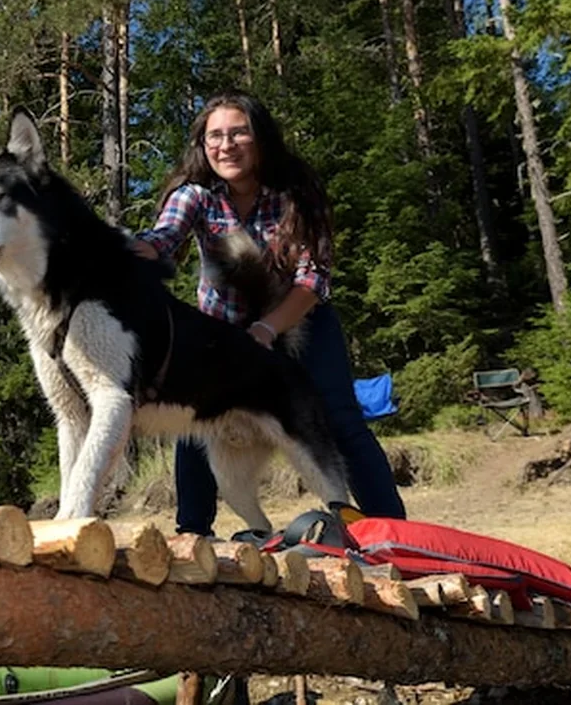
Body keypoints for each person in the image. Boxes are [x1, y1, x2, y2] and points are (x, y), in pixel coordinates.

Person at [133, 90, 406, 536]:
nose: (226, 145)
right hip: (223, 331)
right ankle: (193, 533)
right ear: (202, 145)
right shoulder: (196, 195)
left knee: (339, 419)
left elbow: (313, 278)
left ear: (260, 138)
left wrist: (268, 327)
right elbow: (164, 238)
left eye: (239, 132)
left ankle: (395, 534)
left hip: (300, 319)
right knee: (194, 420)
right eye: (215, 136)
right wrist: (131, 249)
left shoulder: (297, 191)